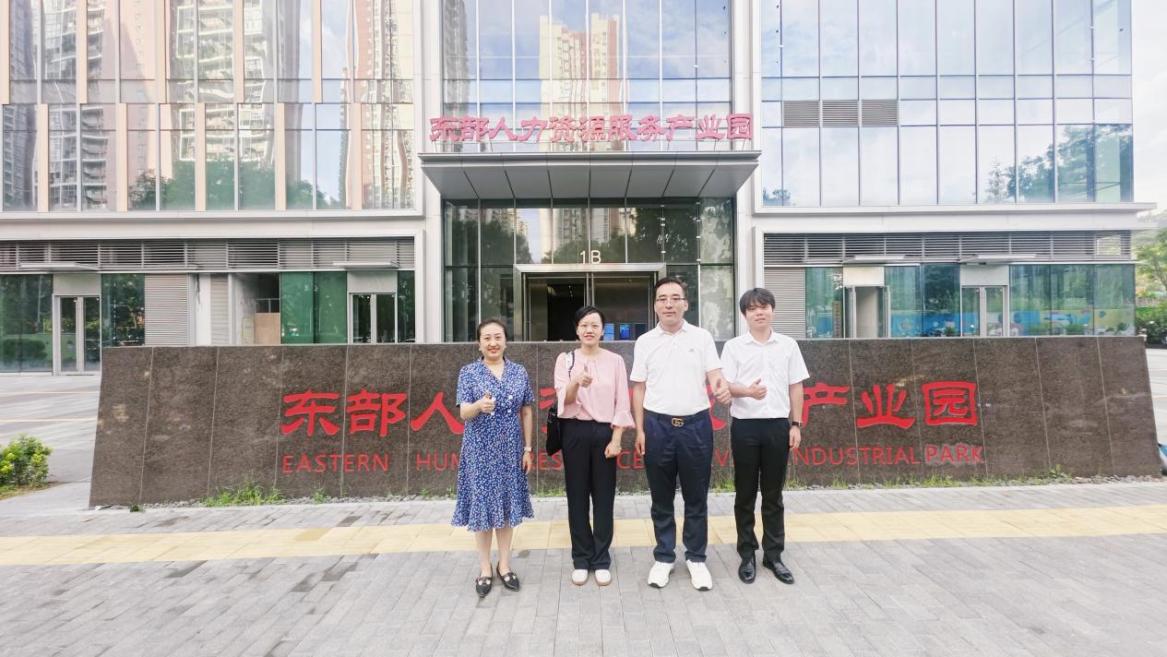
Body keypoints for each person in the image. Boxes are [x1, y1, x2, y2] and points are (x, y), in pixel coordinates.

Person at [631, 277, 732, 591]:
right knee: (660, 497)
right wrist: (639, 429)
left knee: (696, 496)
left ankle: (696, 558)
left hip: (695, 427)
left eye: (675, 298)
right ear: (655, 305)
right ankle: (664, 557)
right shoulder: (645, 341)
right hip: (657, 427)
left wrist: (721, 388)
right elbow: (639, 388)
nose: (669, 304)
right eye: (662, 298)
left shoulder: (701, 337)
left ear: (686, 304)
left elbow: (715, 376)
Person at [720, 288, 808, 585]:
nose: (759, 312)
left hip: (777, 427)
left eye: (764, 307)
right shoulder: (734, 347)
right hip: (745, 426)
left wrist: (795, 424)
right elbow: (725, 385)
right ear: (744, 314)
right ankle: (747, 553)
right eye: (753, 308)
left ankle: (773, 554)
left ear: (773, 310)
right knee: (745, 493)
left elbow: (796, 386)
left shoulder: (788, 345)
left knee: (773, 494)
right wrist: (748, 391)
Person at [452, 318, 535, 598]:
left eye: (498, 337)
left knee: (508, 506)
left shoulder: (519, 372)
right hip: (480, 450)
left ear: (506, 341)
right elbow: (463, 412)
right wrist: (479, 405)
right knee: (483, 506)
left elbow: (526, 410)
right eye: (486, 338)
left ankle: (505, 564)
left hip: (511, 450)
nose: (493, 343)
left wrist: (527, 449)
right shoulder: (469, 373)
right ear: (479, 344)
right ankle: (485, 567)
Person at [554, 305, 635, 587]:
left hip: (604, 433)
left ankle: (601, 559)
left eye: (595, 325)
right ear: (577, 330)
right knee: (577, 497)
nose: (589, 330)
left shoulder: (615, 361)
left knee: (604, 497)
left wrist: (617, 439)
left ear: (602, 330)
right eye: (584, 325)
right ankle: (581, 558)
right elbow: (563, 400)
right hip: (574, 431)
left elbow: (622, 403)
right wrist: (576, 382)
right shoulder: (565, 360)